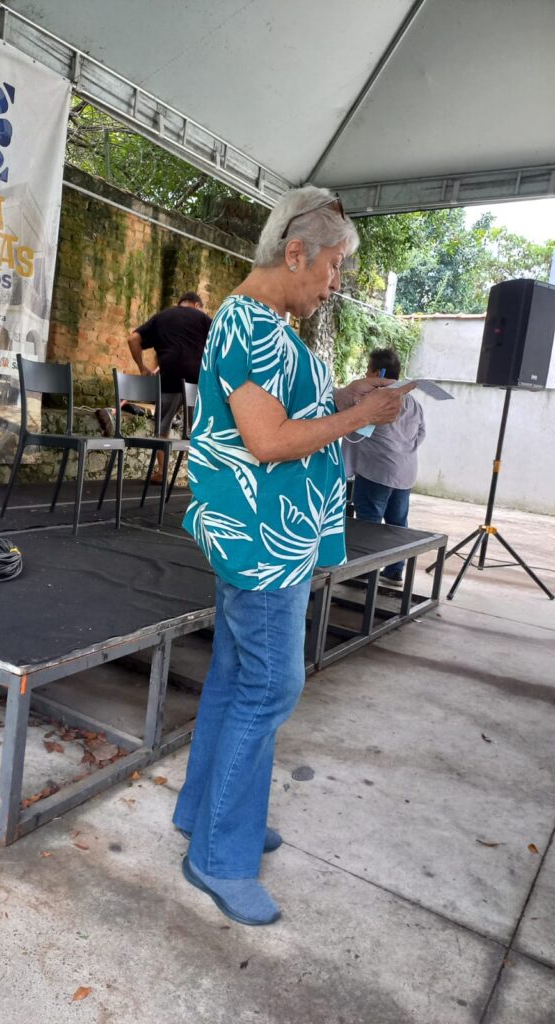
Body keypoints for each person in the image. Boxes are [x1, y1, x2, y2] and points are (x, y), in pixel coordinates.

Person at [172, 186, 411, 927]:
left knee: (236, 676)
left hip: (270, 536)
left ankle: (207, 815)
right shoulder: (247, 321)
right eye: (333, 266)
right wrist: (357, 415)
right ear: (297, 252)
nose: (334, 282)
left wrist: (346, 396)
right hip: (263, 542)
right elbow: (268, 441)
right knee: (270, 686)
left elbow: (286, 412)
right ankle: (219, 856)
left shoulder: (266, 324)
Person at [343, 347, 426, 584]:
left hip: (376, 471)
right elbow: (421, 433)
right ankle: (394, 571)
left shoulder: (373, 400)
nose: (365, 375)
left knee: (368, 523)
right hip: (404, 472)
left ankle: (363, 572)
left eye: (368, 370)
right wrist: (402, 452)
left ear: (377, 373)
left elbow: (351, 427)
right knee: (397, 524)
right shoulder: (412, 402)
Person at [128, 292, 212, 480]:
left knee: (162, 428)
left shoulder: (162, 317)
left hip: (170, 379)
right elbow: (222, 344)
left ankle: (161, 473)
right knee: (199, 431)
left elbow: (132, 339)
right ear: (197, 305)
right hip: (197, 382)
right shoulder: (202, 318)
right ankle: (199, 477)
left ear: (179, 303)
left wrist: (143, 368)